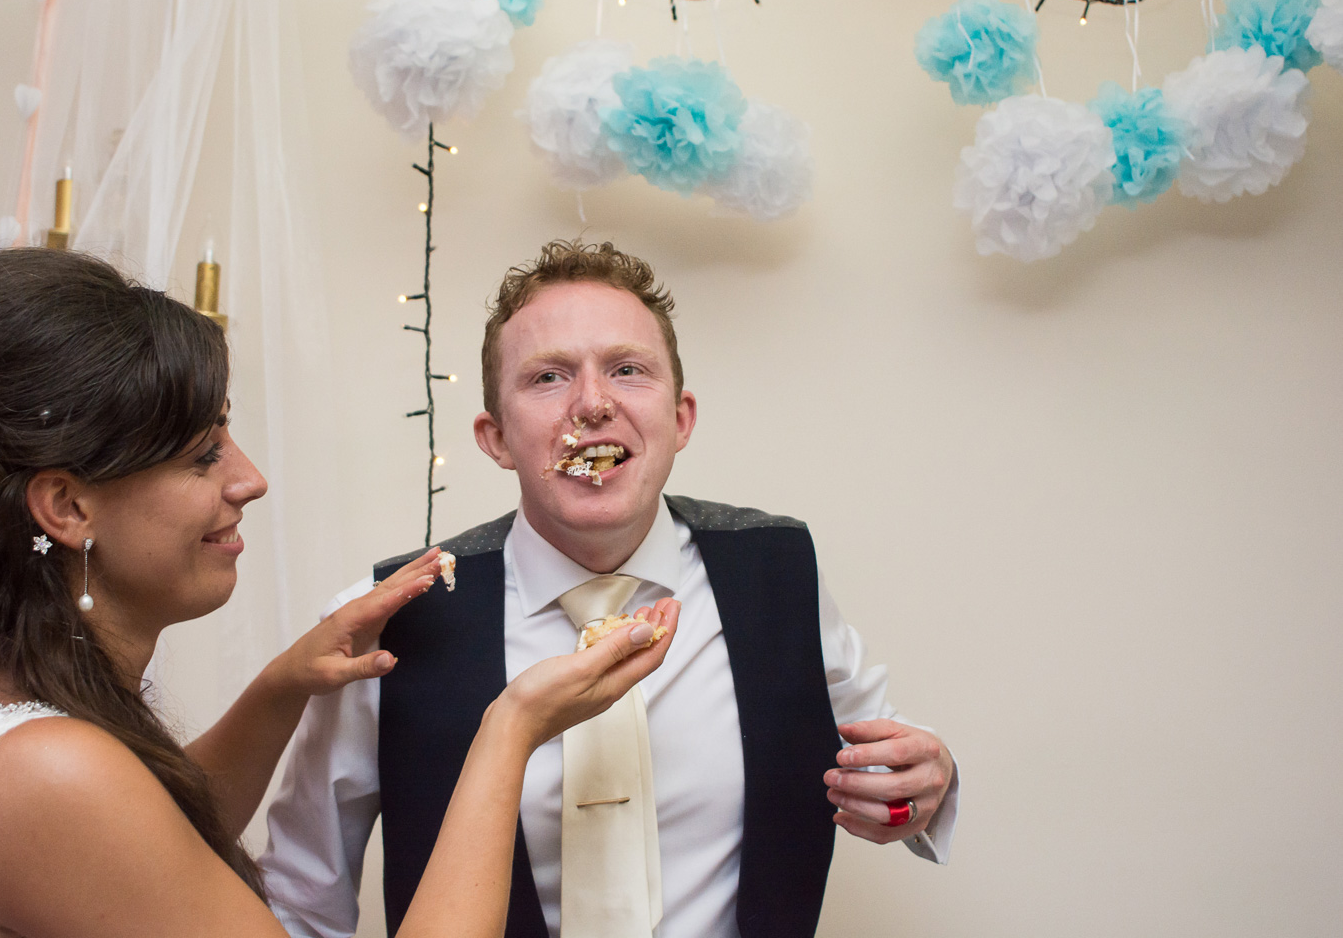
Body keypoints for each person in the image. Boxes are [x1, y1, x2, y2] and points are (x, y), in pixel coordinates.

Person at [0, 248, 680, 938]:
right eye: (204, 454)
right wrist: (511, 729)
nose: (251, 479)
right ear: (67, 507)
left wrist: (280, 687)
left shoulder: (6, 717)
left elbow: (156, 835)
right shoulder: (51, 776)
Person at [262, 240, 961, 938]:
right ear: (496, 436)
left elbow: (892, 768)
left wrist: (920, 791)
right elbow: (300, 901)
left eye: (627, 370)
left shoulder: (779, 570)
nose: (592, 405)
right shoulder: (390, 615)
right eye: (547, 378)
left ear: (680, 418)